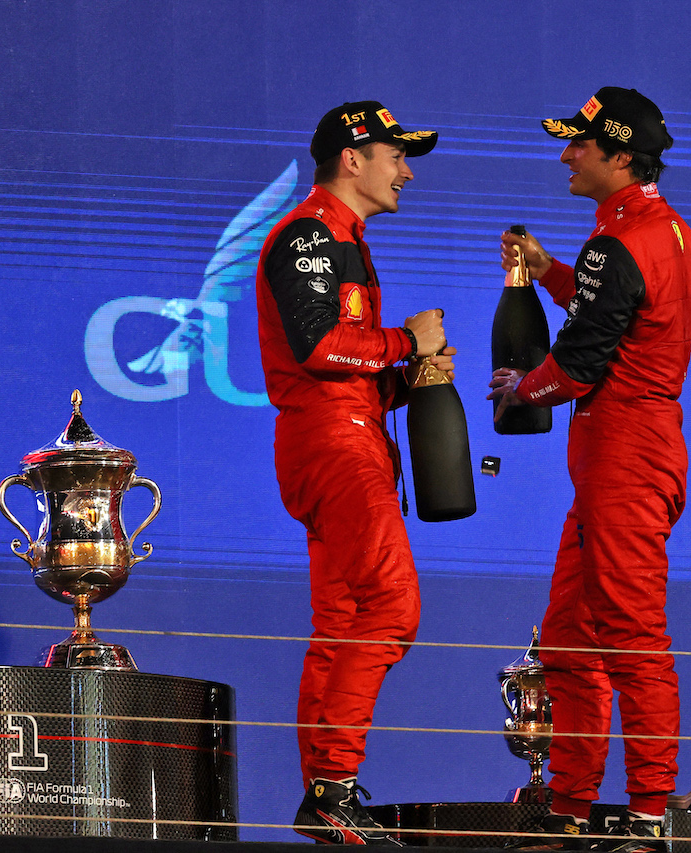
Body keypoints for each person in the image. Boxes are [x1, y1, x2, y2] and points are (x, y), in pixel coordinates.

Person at [488, 87, 691, 853]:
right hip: (630, 456)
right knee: (573, 640)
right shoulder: (660, 230)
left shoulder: (621, 243)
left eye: (579, 143)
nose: (565, 154)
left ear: (618, 155)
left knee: (633, 636)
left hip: (624, 458)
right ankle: (571, 804)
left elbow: (579, 363)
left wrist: (522, 389)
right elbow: (608, 307)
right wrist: (549, 271)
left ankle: (648, 816)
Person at [256, 99, 452, 846]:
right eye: (397, 155)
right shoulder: (309, 233)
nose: (406, 170)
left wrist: (410, 376)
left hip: (346, 435)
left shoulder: (343, 238)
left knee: (341, 624)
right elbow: (315, 348)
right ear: (352, 158)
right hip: (335, 446)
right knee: (393, 608)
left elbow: (338, 365)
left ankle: (325, 796)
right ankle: (334, 787)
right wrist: (403, 340)